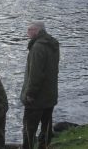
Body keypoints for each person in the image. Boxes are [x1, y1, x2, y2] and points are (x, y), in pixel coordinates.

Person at [20, 21, 60, 149]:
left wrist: (30, 94)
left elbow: (35, 75)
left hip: (37, 97)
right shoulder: (53, 44)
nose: (27, 33)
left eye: (29, 30)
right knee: (46, 125)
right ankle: (45, 146)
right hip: (50, 94)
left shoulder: (38, 47)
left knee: (29, 128)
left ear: (36, 31)